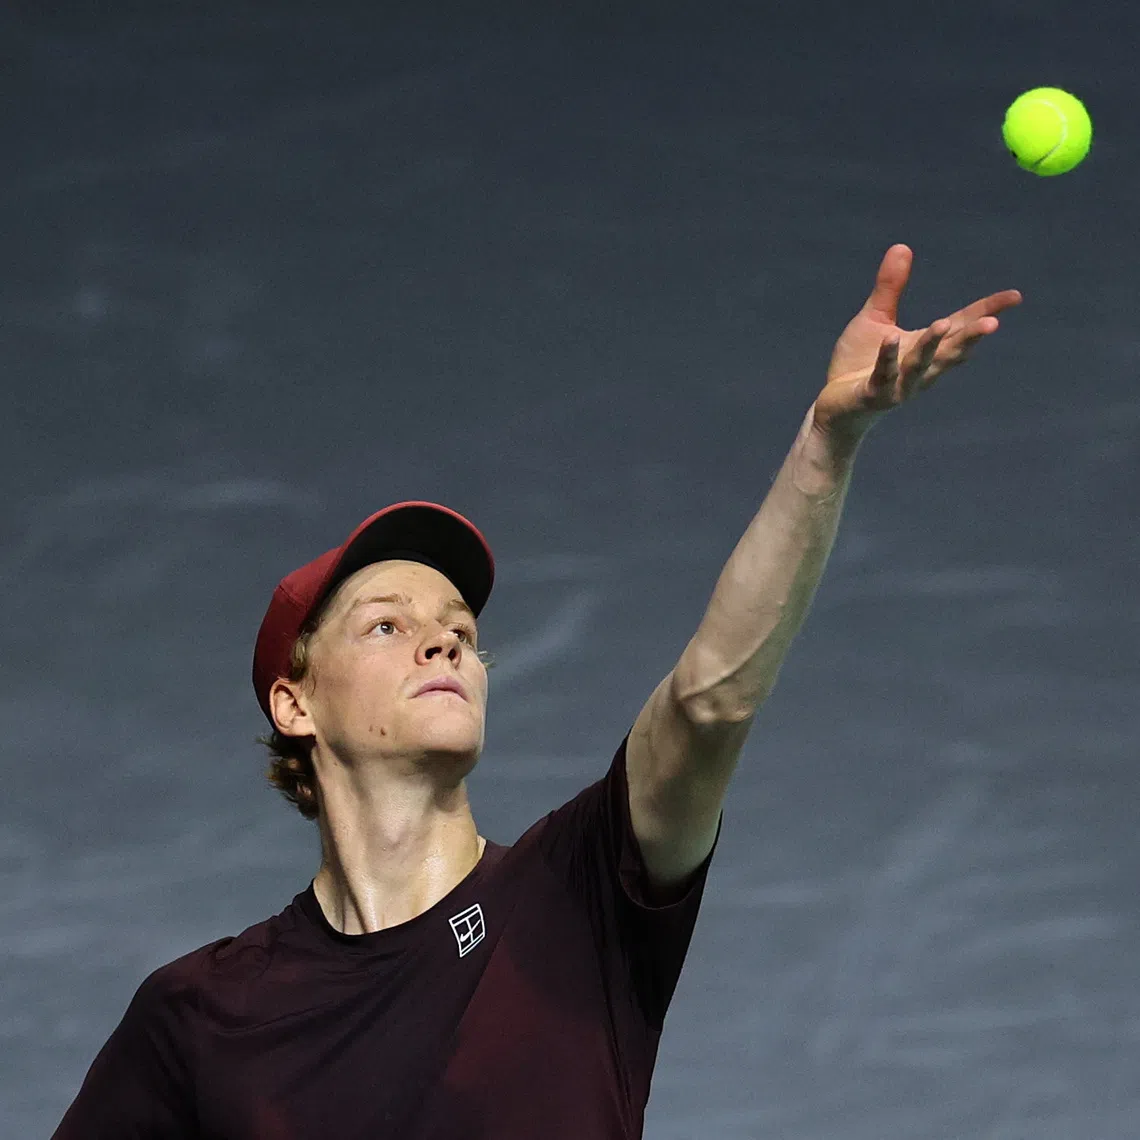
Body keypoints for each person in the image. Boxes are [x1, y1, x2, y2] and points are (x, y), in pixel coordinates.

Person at [52, 245, 1020, 1139]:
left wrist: (825, 442)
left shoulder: (578, 893)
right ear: (295, 706)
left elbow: (707, 704)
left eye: (459, 632)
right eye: (387, 624)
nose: (442, 639)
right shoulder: (200, 1016)